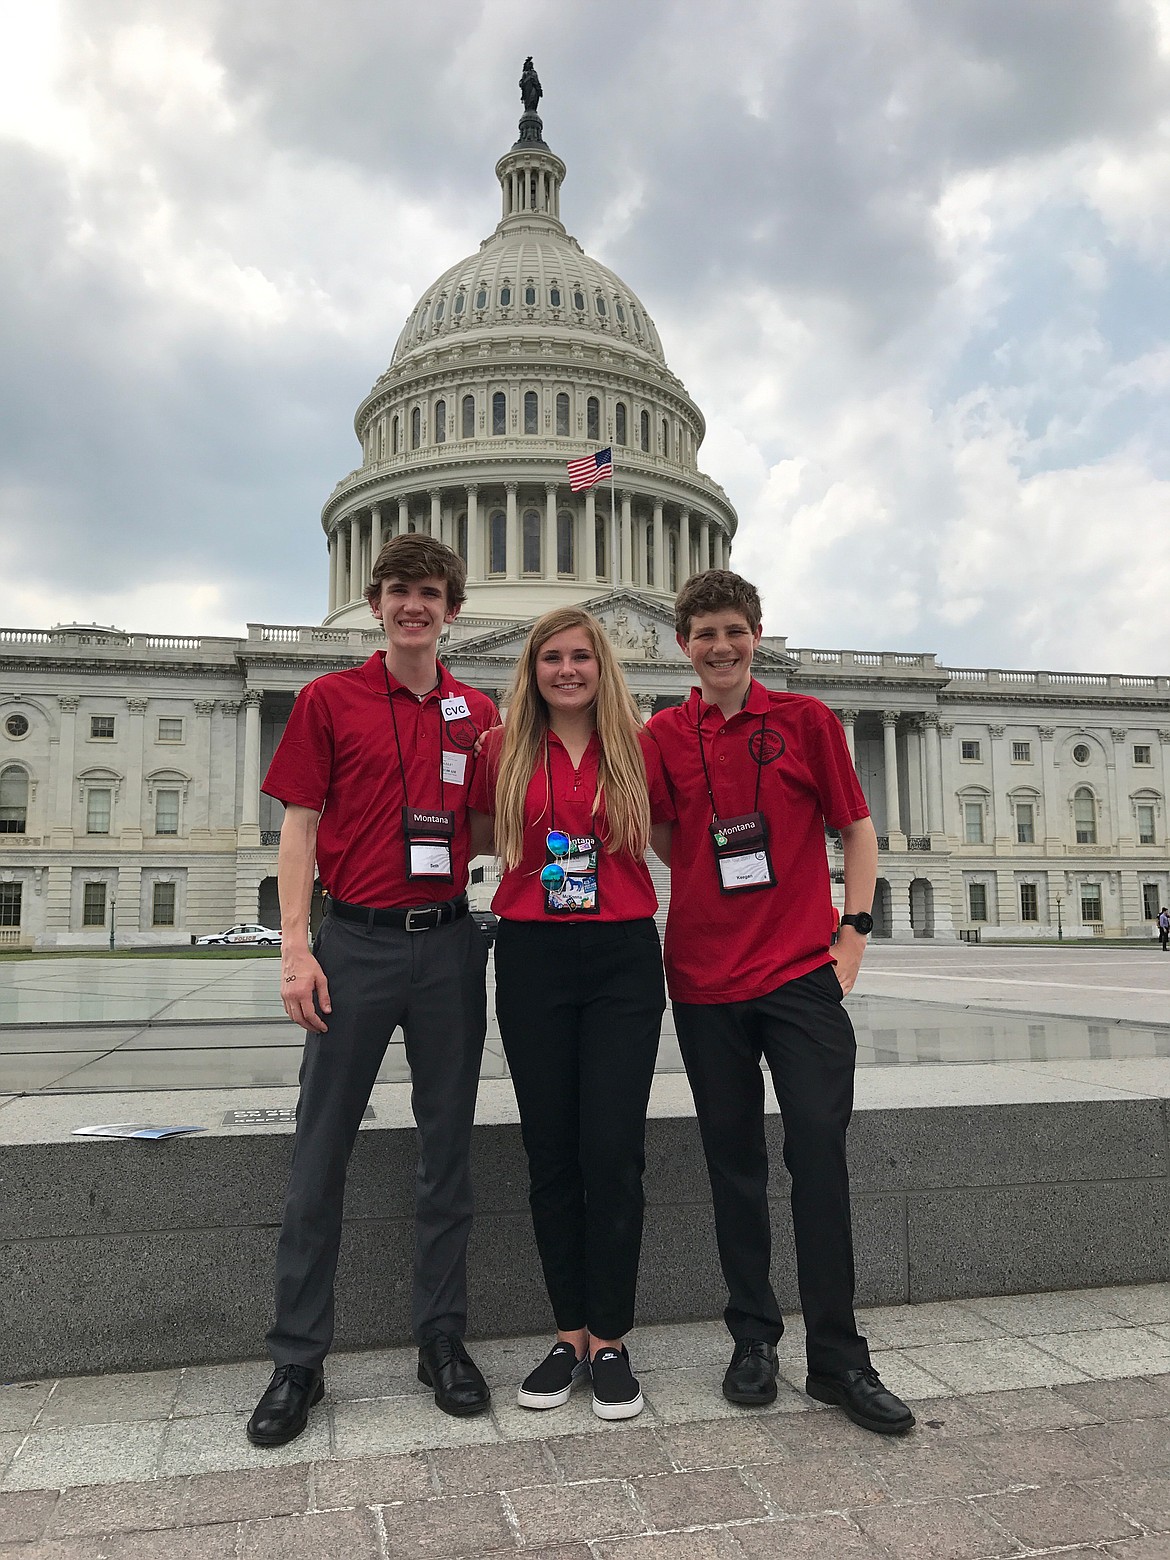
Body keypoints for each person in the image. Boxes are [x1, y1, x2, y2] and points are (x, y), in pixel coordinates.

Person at [645, 569, 914, 1436]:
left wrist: (854, 933)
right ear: (681, 644)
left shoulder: (806, 721)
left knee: (820, 1162)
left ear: (755, 634)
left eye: (733, 631)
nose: (719, 648)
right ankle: (752, 1339)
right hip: (703, 980)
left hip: (800, 976)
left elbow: (857, 828)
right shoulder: (661, 735)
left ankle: (838, 1357)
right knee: (734, 1170)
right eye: (704, 634)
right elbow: (659, 831)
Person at [246, 535, 499, 1448]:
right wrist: (296, 949)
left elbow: (492, 825)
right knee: (320, 1152)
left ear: (452, 608)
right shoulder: (327, 699)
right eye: (398, 591)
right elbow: (299, 830)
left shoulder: (479, 712)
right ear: (375, 601)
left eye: (429, 593)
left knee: (448, 1152)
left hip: (447, 946)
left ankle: (442, 1340)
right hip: (351, 943)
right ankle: (298, 1359)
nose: (413, 607)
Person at [468, 607, 670, 1420]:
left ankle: (613, 1339)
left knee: (613, 1151)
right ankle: (568, 1334)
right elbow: (477, 835)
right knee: (549, 1151)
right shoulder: (499, 747)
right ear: (533, 669)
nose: (567, 669)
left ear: (602, 665)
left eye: (581, 656)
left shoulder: (641, 743)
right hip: (532, 953)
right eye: (551, 657)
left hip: (622, 953)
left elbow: (679, 840)